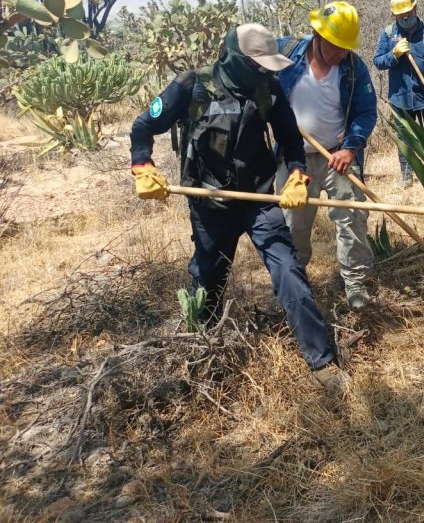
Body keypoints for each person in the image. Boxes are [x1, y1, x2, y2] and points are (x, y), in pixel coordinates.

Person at [129, 23, 349, 396]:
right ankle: (198, 356)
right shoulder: (190, 86)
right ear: (236, 59)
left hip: (259, 198)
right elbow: (142, 126)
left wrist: (297, 176)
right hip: (209, 200)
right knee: (207, 280)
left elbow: (291, 140)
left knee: (288, 271)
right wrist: (142, 166)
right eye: (259, 64)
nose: (266, 70)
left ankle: (323, 363)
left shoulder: (267, 88)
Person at [275, 1, 379, 310]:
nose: (340, 54)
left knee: (352, 216)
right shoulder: (286, 54)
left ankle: (356, 285)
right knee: (292, 223)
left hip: (337, 156)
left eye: (345, 48)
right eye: (335, 46)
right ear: (316, 35)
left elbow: (365, 111)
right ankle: (294, 288)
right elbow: (254, 75)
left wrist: (350, 147)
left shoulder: (352, 69)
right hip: (294, 159)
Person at [372, 0, 424, 185]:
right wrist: (394, 54)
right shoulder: (389, 35)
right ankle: (407, 176)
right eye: (401, 15)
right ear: (394, 15)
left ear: (415, 8)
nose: (406, 18)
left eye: (408, 13)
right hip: (400, 98)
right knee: (404, 138)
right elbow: (378, 61)